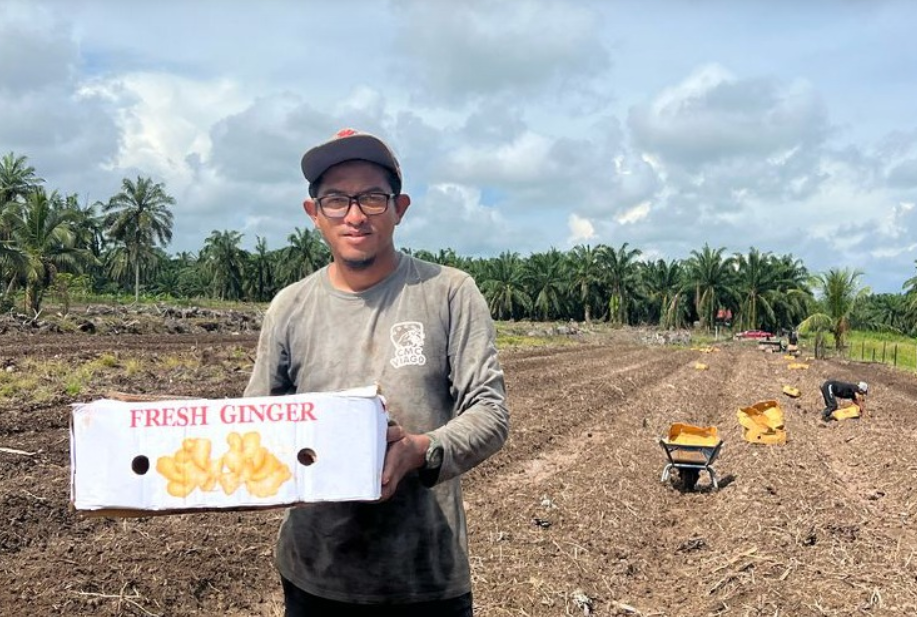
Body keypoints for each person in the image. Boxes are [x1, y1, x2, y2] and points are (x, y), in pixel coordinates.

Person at [244, 127, 510, 616]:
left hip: (424, 576)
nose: (354, 215)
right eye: (335, 200)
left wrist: (418, 451)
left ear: (399, 207)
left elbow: (490, 413)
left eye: (371, 197)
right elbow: (256, 419)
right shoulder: (290, 306)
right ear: (313, 214)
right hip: (315, 573)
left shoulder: (448, 293)